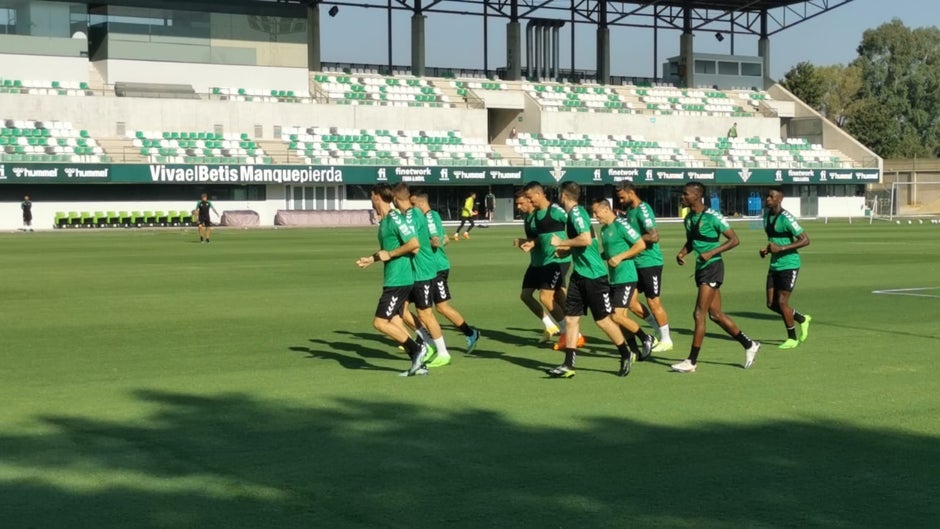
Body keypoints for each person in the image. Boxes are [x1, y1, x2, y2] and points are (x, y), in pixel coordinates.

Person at [548, 181, 637, 379]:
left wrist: (561, 242)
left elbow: (586, 239)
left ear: (563, 195)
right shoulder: (574, 215)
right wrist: (564, 252)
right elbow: (583, 244)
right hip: (579, 275)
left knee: (603, 322)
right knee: (571, 319)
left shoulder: (577, 213)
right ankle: (568, 364)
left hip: (595, 277)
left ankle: (626, 353)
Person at [673, 181, 760, 373]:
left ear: (697, 195)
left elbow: (734, 240)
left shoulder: (713, 217)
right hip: (701, 267)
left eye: (686, 194)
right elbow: (692, 240)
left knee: (698, 314)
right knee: (716, 315)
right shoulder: (688, 219)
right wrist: (682, 252)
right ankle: (749, 344)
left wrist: (712, 253)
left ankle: (691, 362)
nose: (682, 197)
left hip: (713, 267)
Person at [356, 183, 428, 377]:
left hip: (399, 279)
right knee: (395, 319)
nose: (371, 199)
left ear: (377, 196)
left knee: (380, 323)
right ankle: (419, 363)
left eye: (371, 195)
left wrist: (391, 254)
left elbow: (414, 245)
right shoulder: (385, 221)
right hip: (394, 278)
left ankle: (418, 349)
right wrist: (371, 259)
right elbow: (388, 250)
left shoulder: (395, 218)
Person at [409, 189, 482, 358]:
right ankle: (424, 340)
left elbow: (437, 241)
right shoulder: (431, 216)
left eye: (413, 204)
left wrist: (415, 243)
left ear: (420, 203)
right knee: (427, 308)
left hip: (436, 268)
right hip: (431, 267)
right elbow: (445, 239)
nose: (411, 208)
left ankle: (469, 333)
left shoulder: (428, 217)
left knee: (437, 307)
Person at [592, 198, 655, 375]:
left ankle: (646, 337)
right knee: (620, 317)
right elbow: (610, 251)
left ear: (605, 210)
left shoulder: (621, 225)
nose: (595, 216)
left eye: (596, 212)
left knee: (616, 316)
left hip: (626, 276)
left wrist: (621, 257)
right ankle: (633, 349)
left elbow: (640, 244)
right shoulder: (604, 230)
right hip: (614, 278)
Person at [615, 182, 673, 352]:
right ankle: (657, 330)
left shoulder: (644, 209)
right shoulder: (631, 211)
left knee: (653, 301)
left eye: (622, 196)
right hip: (636, 262)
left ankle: (666, 339)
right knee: (632, 303)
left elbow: (654, 236)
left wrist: (634, 239)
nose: (620, 200)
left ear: (631, 192)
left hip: (650, 262)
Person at [522, 182, 576, 346]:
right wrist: (533, 243)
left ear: (538, 194)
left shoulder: (556, 211)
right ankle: (573, 330)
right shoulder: (537, 215)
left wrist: (568, 246)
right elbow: (544, 236)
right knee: (559, 297)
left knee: (545, 297)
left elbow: (579, 228)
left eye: (530, 198)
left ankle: (567, 334)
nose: (529, 202)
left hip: (559, 260)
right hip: (546, 261)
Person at [761, 186, 812, 348]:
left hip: (789, 264)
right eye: (767, 196)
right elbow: (775, 240)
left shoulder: (787, 218)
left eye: (771, 196)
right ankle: (802, 319)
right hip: (775, 264)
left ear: (779, 199)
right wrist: (767, 249)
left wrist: (781, 249)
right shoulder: (766, 216)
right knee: (771, 304)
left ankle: (792, 338)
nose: (767, 199)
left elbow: (805, 240)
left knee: (782, 302)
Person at [514, 189, 563, 342]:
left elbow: (544, 239)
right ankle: (549, 325)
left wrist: (531, 243)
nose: (519, 207)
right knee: (526, 295)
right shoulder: (527, 217)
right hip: (536, 263)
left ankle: (571, 332)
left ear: (530, 200)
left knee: (556, 298)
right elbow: (535, 239)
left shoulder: (539, 216)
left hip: (549, 262)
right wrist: (524, 242)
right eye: (517, 204)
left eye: (521, 203)